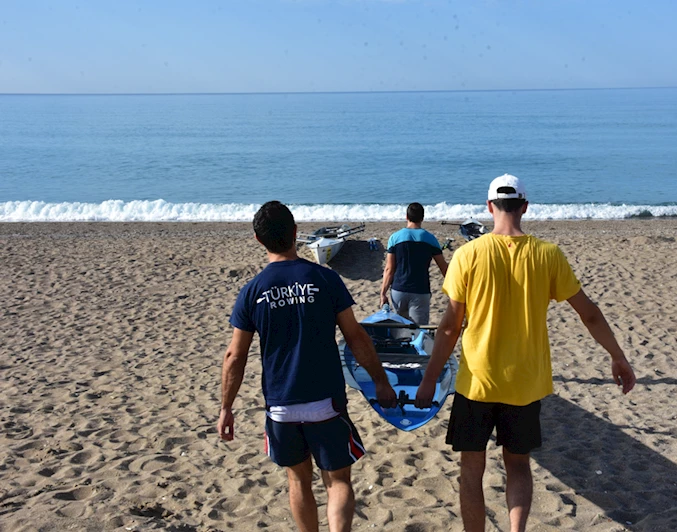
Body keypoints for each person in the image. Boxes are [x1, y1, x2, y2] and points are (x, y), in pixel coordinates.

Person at [415, 174, 636, 532]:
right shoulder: (548, 254)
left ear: (489, 207)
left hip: (477, 383)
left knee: (471, 470)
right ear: (525, 207)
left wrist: (429, 380)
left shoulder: (468, 254)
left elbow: (450, 328)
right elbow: (590, 314)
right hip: (525, 384)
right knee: (518, 466)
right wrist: (617, 356)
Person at [217, 201, 397, 532]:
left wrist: (226, 408)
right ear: (296, 233)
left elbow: (234, 356)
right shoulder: (324, 278)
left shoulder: (253, 291)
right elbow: (356, 337)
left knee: (298, 480)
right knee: (338, 480)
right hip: (325, 401)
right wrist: (381, 381)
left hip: (281, 405)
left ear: (259, 240)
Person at [380, 202, 448, 324]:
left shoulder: (395, 238)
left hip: (398, 290)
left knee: (400, 330)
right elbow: (444, 268)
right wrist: (454, 290)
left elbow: (389, 269)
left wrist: (383, 293)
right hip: (420, 291)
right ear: (422, 218)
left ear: (406, 217)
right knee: (419, 330)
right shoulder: (430, 239)